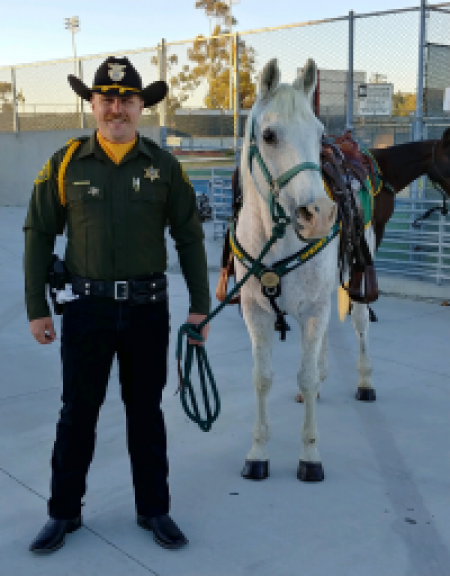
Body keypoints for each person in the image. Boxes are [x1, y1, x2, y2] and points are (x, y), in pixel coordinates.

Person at [24, 56, 210, 554]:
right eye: (106, 98)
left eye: (127, 99)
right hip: (87, 312)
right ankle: (64, 513)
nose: (116, 109)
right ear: (92, 103)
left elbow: (190, 237)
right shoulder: (64, 163)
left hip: (148, 310)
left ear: (141, 106)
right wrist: (36, 307)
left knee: (146, 414)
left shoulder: (164, 166)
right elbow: (39, 234)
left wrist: (199, 306)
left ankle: (154, 509)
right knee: (76, 415)